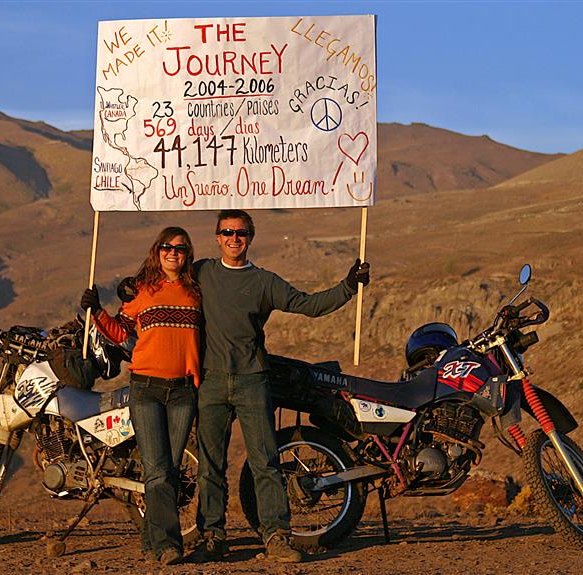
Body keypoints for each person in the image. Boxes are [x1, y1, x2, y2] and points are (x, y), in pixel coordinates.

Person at [192, 209, 370, 563]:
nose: (233, 239)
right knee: (210, 464)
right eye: (227, 232)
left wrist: (349, 286)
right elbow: (163, 282)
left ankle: (276, 536)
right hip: (211, 381)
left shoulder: (264, 282)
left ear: (250, 237)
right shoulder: (202, 272)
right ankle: (212, 536)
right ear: (217, 237)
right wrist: (130, 291)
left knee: (266, 461)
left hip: (253, 380)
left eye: (241, 233)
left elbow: (308, 305)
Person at [80, 226, 202, 566]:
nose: (173, 253)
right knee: (157, 469)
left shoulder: (197, 292)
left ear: (187, 254)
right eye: (167, 247)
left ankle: (151, 543)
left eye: (180, 248)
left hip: (182, 391)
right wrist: (98, 312)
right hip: (146, 388)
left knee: (170, 470)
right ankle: (168, 545)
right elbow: (121, 331)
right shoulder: (144, 292)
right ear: (157, 251)